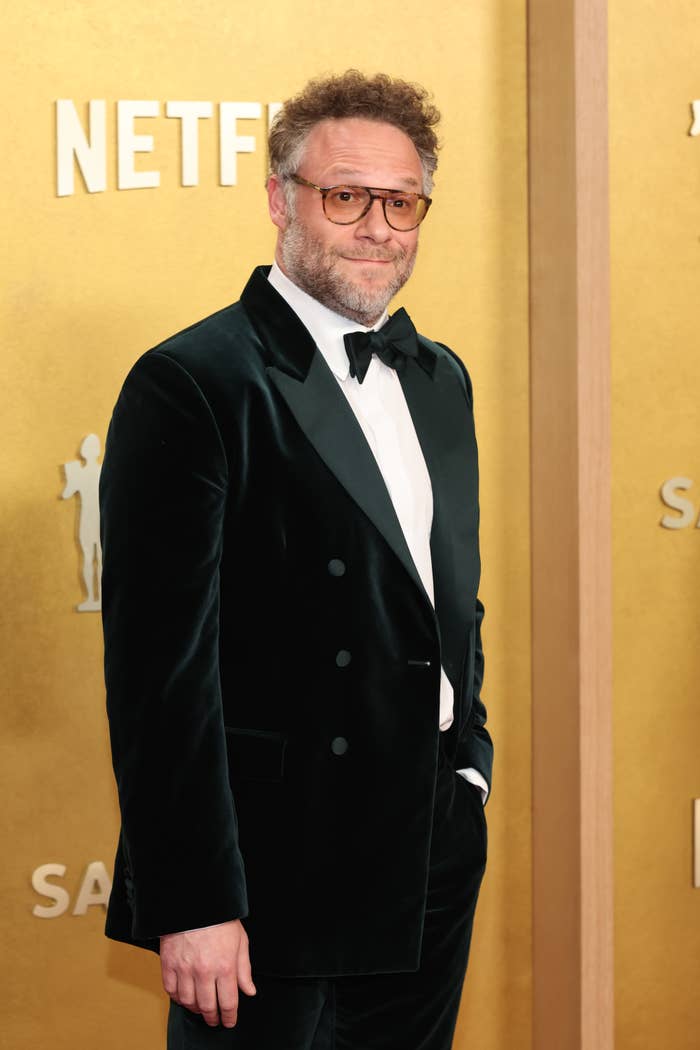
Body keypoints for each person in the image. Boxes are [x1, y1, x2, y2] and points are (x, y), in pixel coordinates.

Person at [100, 69, 493, 1050]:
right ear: (280, 200)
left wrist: (469, 769)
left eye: (401, 202)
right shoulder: (194, 382)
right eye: (345, 196)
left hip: (430, 845)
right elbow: (160, 677)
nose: (377, 228)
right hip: (276, 864)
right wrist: (194, 899)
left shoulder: (440, 378)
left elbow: (448, 594)